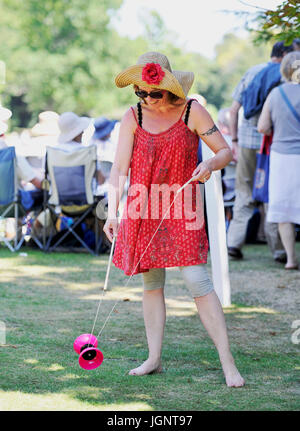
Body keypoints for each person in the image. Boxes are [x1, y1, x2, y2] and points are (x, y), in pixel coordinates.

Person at [103, 52, 245, 387]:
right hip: (143, 208)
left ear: (171, 88)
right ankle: (153, 358)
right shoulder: (133, 116)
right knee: (151, 285)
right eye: (141, 93)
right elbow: (119, 169)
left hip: (183, 207)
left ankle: (228, 363)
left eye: (154, 92)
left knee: (198, 282)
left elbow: (225, 151)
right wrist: (112, 211)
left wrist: (209, 165)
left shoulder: (192, 111)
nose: (148, 99)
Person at [227, 41, 293, 261]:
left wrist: (234, 140)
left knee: (243, 192)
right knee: (271, 194)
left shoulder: (252, 72)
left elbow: (234, 110)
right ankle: (279, 250)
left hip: (246, 142)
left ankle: (234, 243)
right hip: (271, 145)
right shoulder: (285, 77)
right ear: (284, 55)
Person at [258, 51, 300, 270]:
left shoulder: (275, 94)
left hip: (282, 157)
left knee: (285, 211)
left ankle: (291, 260)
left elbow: (262, 127)